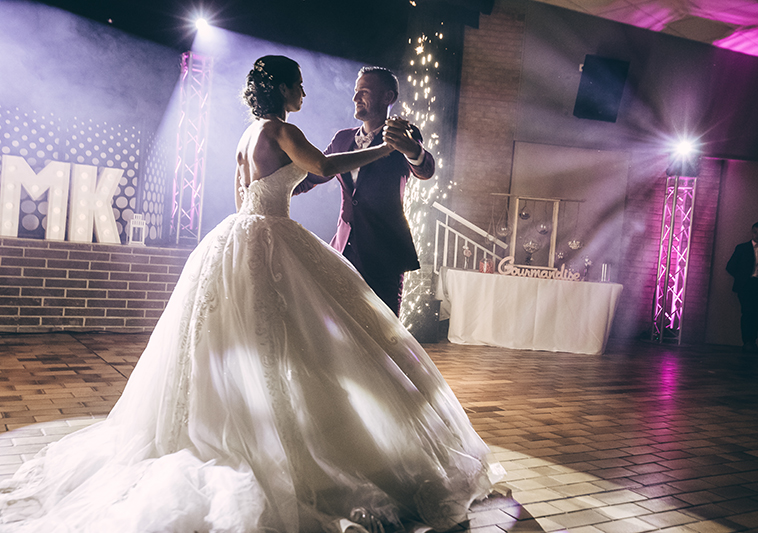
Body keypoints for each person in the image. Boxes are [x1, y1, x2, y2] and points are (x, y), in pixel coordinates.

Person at [0, 56, 501, 533]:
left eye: (365, 92)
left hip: (334, 244)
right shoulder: (307, 134)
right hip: (304, 241)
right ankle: (326, 438)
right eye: (300, 85)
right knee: (300, 344)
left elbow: (416, 168)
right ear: (282, 89)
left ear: (388, 96)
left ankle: (373, 433)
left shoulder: (270, 132)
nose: (344, 97)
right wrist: (334, 167)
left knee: (366, 346)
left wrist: (404, 149)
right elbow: (320, 170)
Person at [294, 66, 435, 316]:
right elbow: (312, 176)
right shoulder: (341, 139)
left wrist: (412, 150)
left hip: (385, 253)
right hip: (342, 251)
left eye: (364, 92)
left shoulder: (404, 134)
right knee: (338, 325)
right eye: (356, 91)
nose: (355, 98)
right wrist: (273, 184)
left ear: (388, 97)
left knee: (383, 329)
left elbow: (425, 169)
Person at [725, 221, 758, 352]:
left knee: (756, 313)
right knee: (747, 312)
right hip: (745, 285)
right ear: (752, 233)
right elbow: (730, 266)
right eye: (755, 232)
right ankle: (747, 341)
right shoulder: (742, 248)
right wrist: (742, 278)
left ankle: (752, 341)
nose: (757, 235)